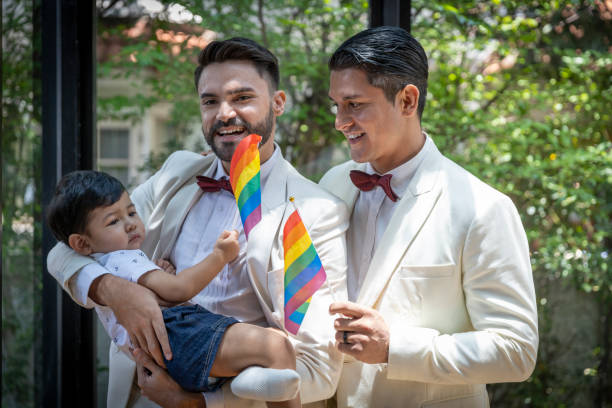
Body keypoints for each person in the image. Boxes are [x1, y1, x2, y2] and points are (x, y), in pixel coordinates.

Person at [47, 37, 349, 408]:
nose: (224, 113)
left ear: (278, 103)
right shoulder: (178, 172)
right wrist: (116, 291)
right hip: (141, 395)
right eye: (210, 101)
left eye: (241, 98)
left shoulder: (318, 210)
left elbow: (318, 368)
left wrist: (199, 403)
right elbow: (64, 252)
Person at [319, 26, 538, 407]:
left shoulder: (483, 208)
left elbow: (516, 351)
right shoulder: (333, 184)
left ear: (407, 100)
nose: (340, 121)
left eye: (354, 105)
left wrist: (395, 347)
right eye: (336, 105)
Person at [46, 170, 302, 407]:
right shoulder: (122, 258)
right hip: (178, 335)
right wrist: (220, 256)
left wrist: (155, 278)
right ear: (81, 243)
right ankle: (252, 382)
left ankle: (244, 384)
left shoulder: (113, 258)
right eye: (113, 221)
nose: (131, 224)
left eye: (132, 213)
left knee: (271, 357)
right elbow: (180, 290)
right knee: (276, 347)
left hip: (176, 349)